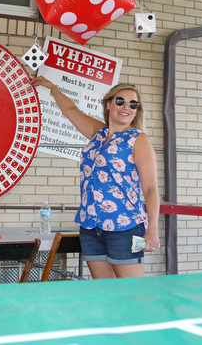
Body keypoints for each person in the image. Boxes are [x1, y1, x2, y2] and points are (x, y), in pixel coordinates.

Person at [32, 77, 160, 278]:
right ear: (108, 104)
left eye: (133, 104)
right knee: (105, 292)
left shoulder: (138, 139)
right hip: (91, 226)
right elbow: (70, 111)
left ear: (137, 110)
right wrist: (52, 86)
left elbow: (151, 188)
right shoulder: (98, 134)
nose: (126, 107)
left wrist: (153, 227)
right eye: (120, 101)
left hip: (125, 227)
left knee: (132, 294)